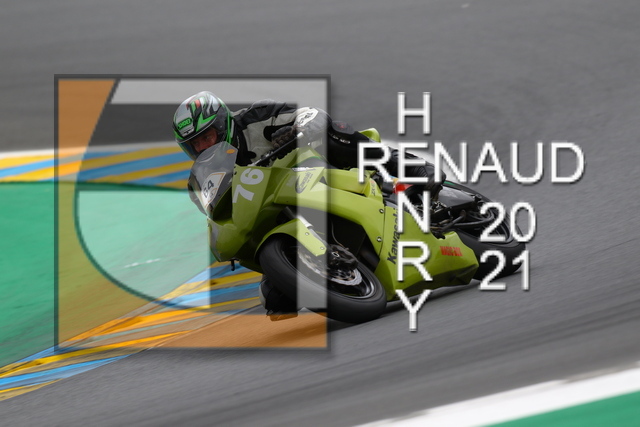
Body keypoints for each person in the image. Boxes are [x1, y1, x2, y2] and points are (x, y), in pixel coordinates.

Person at [172, 90, 445, 318]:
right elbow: (220, 217)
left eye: (207, 137)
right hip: (278, 212)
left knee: (333, 132)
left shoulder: (257, 117)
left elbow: (313, 114)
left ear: (223, 125)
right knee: (275, 299)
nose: (202, 147)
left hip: (316, 170)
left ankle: (413, 167)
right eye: (195, 145)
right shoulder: (201, 181)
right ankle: (327, 266)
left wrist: (299, 129)